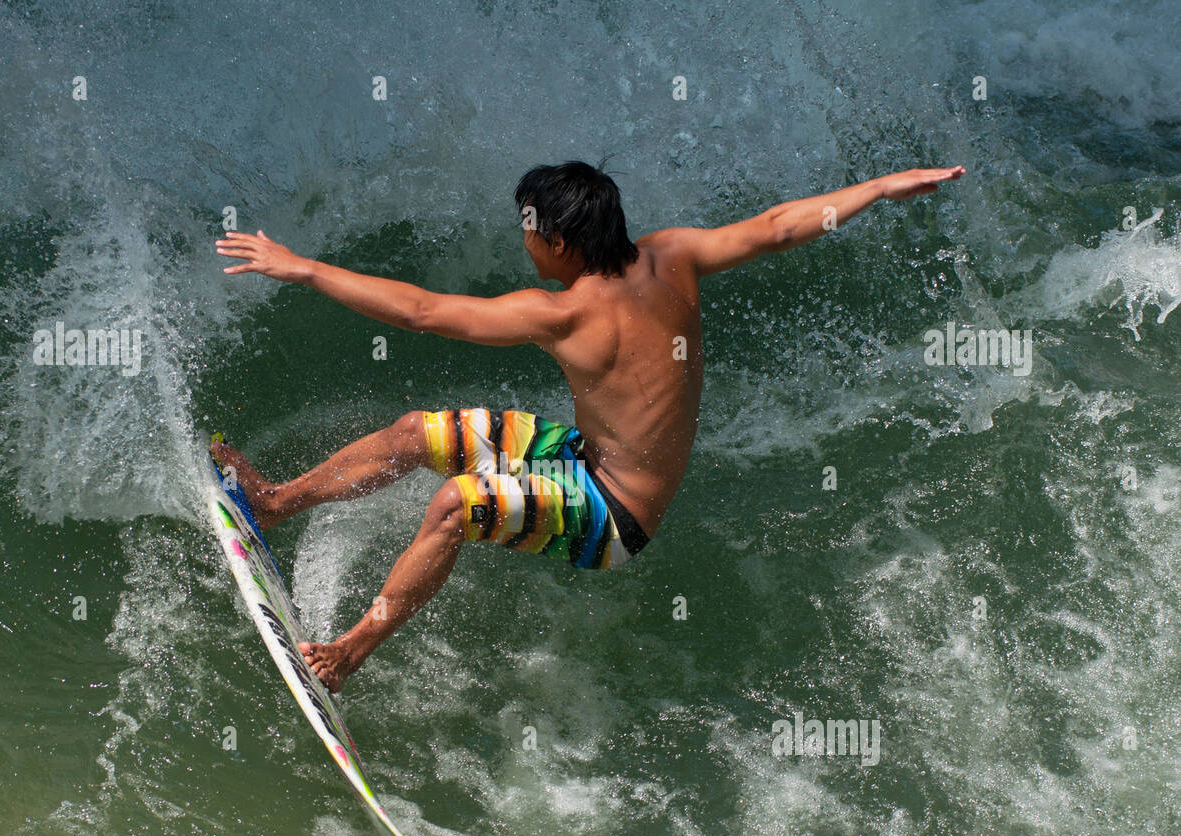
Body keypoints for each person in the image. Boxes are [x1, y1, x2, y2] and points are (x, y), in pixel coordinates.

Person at [213, 160, 965, 690]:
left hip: (615, 515)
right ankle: (278, 504)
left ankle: (349, 653)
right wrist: (881, 187)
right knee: (419, 433)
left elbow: (419, 311)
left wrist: (305, 268)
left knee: (454, 505)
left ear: (561, 243)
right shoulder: (675, 254)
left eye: (529, 230)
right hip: (588, 457)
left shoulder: (565, 313)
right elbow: (777, 226)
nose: (524, 240)